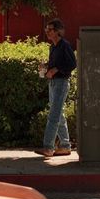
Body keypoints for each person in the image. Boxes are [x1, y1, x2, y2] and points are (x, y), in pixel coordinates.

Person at [36, 19, 76, 158]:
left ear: (58, 31)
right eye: (46, 29)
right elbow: (55, 64)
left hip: (61, 83)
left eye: (50, 29)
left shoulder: (65, 45)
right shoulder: (53, 47)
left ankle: (48, 147)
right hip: (53, 83)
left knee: (53, 115)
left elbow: (72, 64)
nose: (47, 32)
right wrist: (46, 67)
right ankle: (65, 146)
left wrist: (55, 69)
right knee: (59, 115)